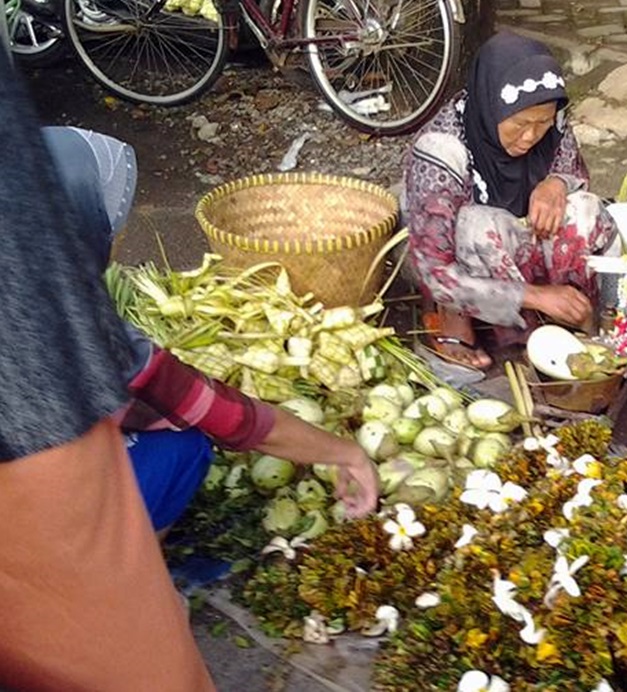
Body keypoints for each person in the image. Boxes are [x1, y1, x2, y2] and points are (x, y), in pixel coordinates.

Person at [41, 125, 381, 535]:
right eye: (111, 221)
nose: (120, 234)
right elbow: (228, 417)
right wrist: (347, 454)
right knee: (182, 446)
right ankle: (118, 581)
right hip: (27, 537)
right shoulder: (93, 338)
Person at [0, 44, 213, 689]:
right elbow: (200, 409)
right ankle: (135, 570)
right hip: (36, 543)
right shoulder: (61, 323)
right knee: (186, 447)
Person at [403, 31, 618, 370]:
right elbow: (432, 269)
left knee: (586, 210)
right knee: (476, 225)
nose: (531, 136)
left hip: (522, 241)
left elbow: (572, 169)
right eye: (519, 124)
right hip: (464, 264)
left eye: (541, 124)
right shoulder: (442, 149)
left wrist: (556, 182)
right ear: (491, 106)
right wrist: (535, 295)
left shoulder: (553, 118)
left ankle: (568, 318)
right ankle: (458, 319)